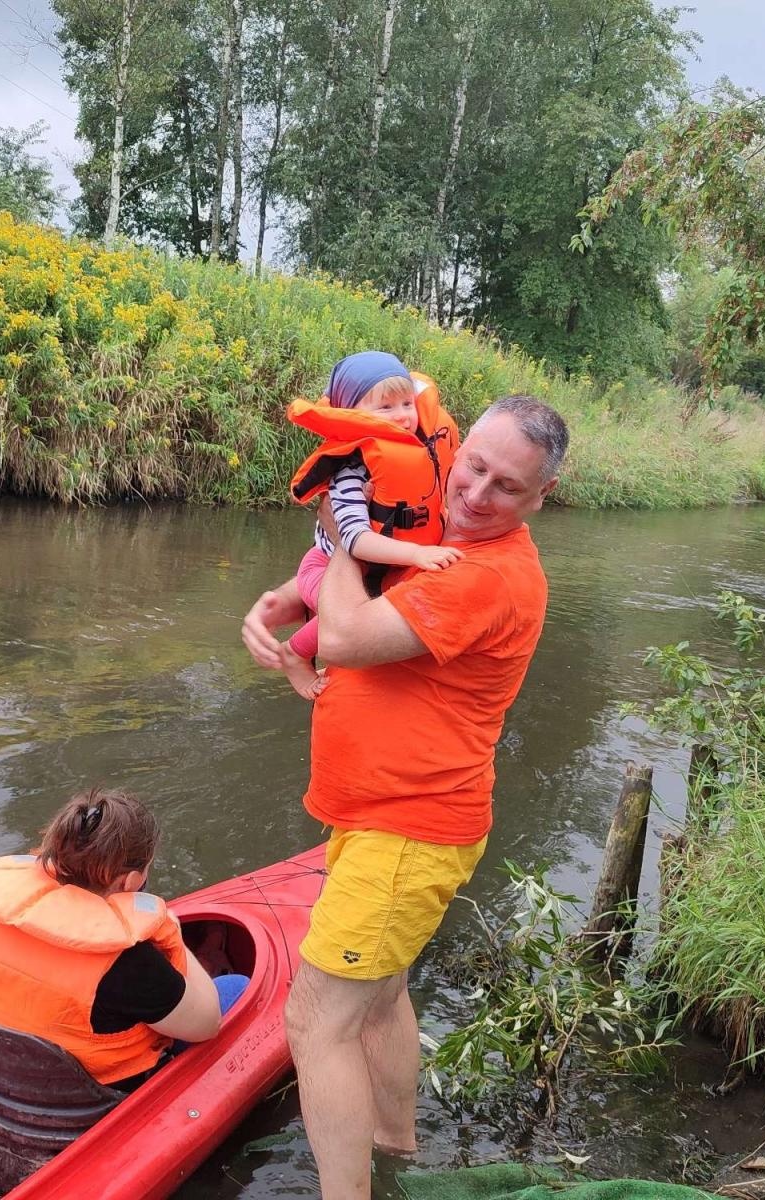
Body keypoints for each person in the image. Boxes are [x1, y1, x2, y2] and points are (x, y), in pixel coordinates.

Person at [241, 394, 569, 1200]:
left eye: (508, 487)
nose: (477, 492)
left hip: (408, 830)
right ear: (458, 448)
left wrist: (342, 526)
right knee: (382, 998)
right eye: (475, 465)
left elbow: (350, 636)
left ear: (540, 499)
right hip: (376, 816)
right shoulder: (440, 532)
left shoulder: (490, 576)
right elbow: (357, 582)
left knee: (316, 1023)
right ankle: (396, 1150)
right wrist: (291, 591)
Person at [0, 787, 247, 1093]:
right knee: (239, 987)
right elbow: (207, 1024)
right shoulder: (129, 962)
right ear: (131, 881)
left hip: (3, 1077)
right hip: (91, 1100)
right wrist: (171, 928)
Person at [279, 350, 463, 699]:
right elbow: (353, 538)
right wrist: (417, 554)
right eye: (385, 408)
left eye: (407, 404)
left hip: (373, 570)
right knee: (345, 617)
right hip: (321, 568)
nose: (402, 416)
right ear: (352, 414)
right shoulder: (352, 468)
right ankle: (293, 653)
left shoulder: (424, 448)